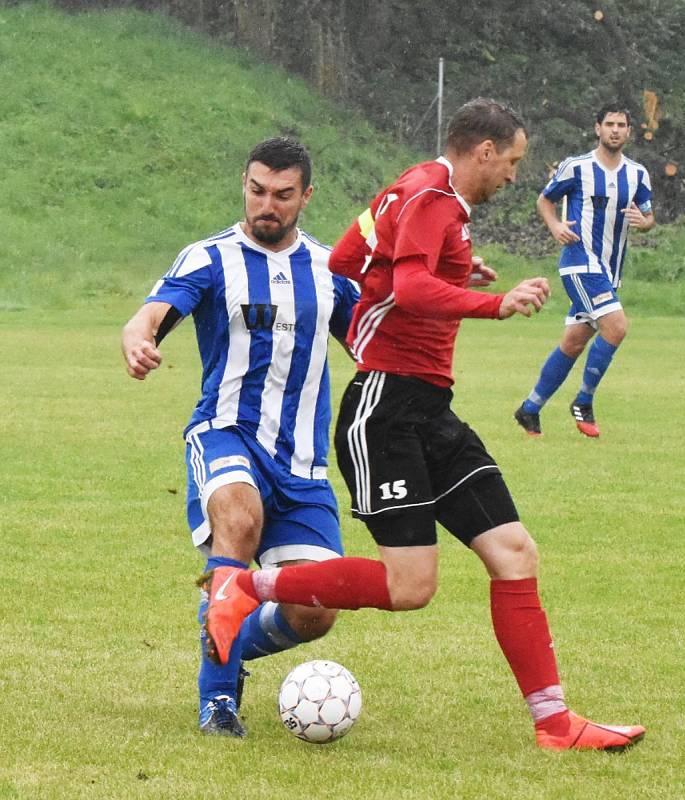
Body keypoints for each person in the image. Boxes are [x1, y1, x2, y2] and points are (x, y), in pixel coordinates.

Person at [201, 99, 646, 751]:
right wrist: (493, 303)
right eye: (513, 162)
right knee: (410, 586)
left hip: (428, 407)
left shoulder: (406, 189)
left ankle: (555, 725)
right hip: (384, 411)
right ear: (484, 152)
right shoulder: (433, 199)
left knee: (513, 551)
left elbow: (348, 259)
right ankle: (246, 587)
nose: (515, 177)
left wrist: (451, 270)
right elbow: (406, 289)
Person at [121, 137, 358, 737]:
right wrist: (138, 338)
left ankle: (223, 644)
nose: (266, 206)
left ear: (306, 195)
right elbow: (150, 314)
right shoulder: (208, 258)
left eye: (282, 195)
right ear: (244, 186)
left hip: (302, 465)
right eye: (256, 191)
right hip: (225, 433)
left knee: (315, 611)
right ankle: (218, 698)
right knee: (239, 518)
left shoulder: (331, 271)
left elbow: (379, 338)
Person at [514, 103, 655, 438]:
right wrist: (555, 227)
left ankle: (529, 408)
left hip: (608, 269)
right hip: (579, 262)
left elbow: (648, 217)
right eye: (609, 124)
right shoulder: (575, 168)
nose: (615, 130)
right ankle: (584, 401)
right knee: (617, 327)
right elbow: (544, 201)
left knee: (573, 343)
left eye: (621, 125)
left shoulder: (637, 174)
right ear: (597, 128)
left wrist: (644, 223)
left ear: (629, 131)